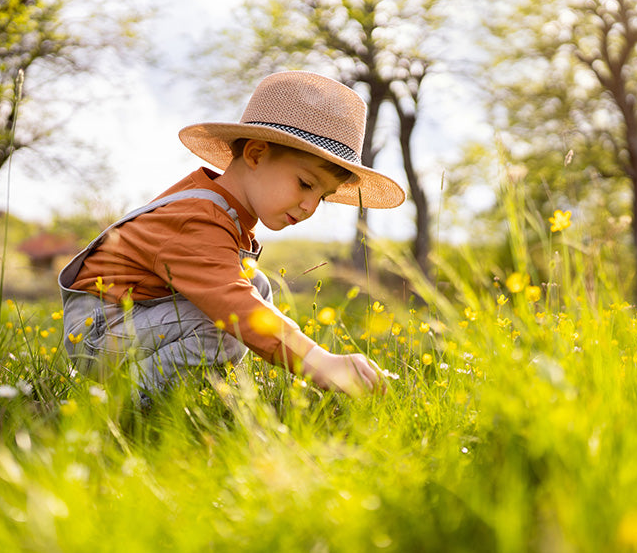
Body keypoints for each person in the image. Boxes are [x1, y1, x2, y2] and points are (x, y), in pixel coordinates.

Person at [59, 70, 405, 397]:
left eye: (323, 197)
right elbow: (231, 304)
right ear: (255, 154)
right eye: (305, 184)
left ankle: (202, 389)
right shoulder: (196, 218)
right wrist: (317, 362)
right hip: (100, 333)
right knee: (228, 326)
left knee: (256, 285)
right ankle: (125, 400)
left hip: (132, 322)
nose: (310, 207)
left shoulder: (224, 213)